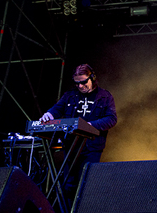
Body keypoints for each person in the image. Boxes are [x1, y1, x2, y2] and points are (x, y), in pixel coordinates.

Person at [39, 63, 117, 201]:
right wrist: (49, 115)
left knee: (88, 184)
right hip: (71, 147)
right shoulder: (70, 96)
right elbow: (57, 109)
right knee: (69, 185)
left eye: (83, 82)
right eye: (77, 83)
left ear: (92, 78)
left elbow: (111, 119)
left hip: (92, 147)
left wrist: (90, 126)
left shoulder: (105, 96)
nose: (80, 86)